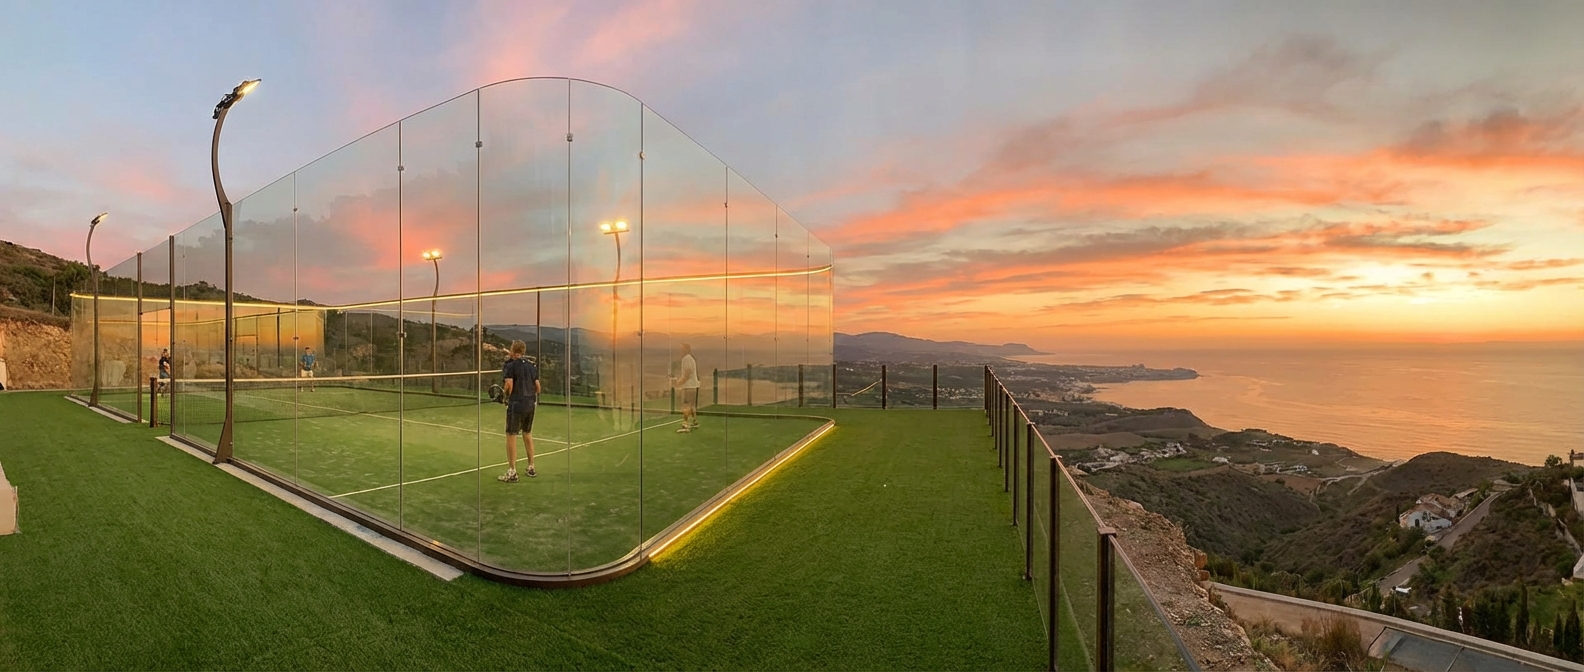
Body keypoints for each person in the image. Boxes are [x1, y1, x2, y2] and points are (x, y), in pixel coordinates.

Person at [499, 340, 540, 482]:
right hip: (530, 404)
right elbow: (538, 388)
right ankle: (531, 467)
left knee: (511, 435)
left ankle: (512, 472)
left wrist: (504, 396)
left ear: (512, 349)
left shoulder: (510, 365)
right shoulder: (531, 367)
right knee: (527, 433)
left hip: (516, 404)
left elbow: (509, 385)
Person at [672, 343, 700, 433]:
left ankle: (686, 424)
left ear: (686, 349)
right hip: (693, 385)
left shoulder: (686, 359)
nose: (680, 351)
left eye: (682, 349)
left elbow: (687, 374)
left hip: (689, 386)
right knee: (691, 405)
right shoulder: (690, 358)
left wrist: (678, 383)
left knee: (686, 405)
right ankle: (695, 422)